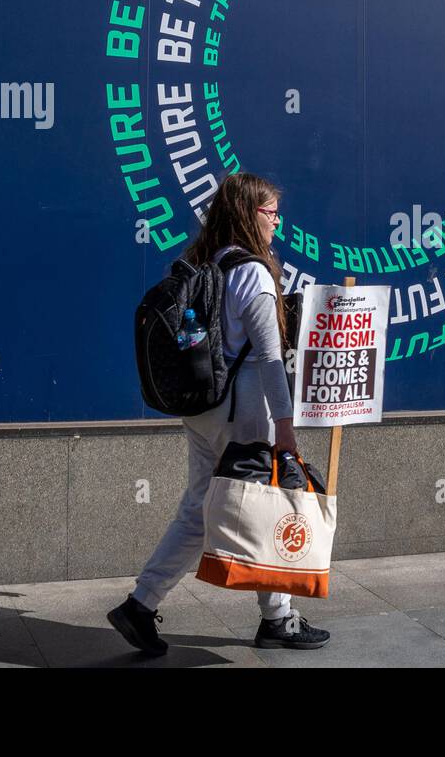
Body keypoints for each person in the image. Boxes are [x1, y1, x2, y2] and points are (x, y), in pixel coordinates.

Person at [108, 172, 330, 655]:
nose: (278, 222)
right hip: (244, 410)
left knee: (199, 507)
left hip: (204, 408)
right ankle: (278, 619)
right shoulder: (252, 271)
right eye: (271, 212)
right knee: (269, 502)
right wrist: (286, 426)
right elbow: (270, 358)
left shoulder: (208, 262)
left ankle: (140, 605)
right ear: (249, 214)